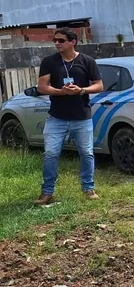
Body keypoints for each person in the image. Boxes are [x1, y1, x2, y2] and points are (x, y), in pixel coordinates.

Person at [34, 29, 104, 206]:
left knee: (87, 153)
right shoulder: (49, 61)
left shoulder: (87, 61)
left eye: (61, 40)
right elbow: (42, 87)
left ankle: (88, 188)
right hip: (57, 117)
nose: (57, 43)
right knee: (50, 154)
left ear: (73, 42)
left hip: (81, 116)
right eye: (55, 40)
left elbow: (99, 86)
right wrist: (60, 92)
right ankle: (47, 192)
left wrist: (81, 90)